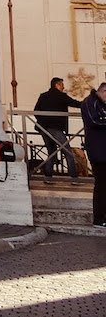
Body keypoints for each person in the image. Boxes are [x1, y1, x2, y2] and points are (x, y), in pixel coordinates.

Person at [33, 77, 82, 178]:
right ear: (57, 85)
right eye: (62, 85)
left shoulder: (43, 96)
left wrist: (44, 122)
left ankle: (48, 176)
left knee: (51, 152)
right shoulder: (61, 96)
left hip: (43, 128)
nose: (64, 87)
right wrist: (88, 103)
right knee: (67, 152)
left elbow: (36, 111)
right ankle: (73, 177)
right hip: (56, 128)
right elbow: (75, 103)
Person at [80, 81, 106, 226]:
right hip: (98, 151)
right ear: (103, 91)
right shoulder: (90, 103)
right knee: (101, 185)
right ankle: (99, 218)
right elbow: (94, 121)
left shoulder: (101, 105)